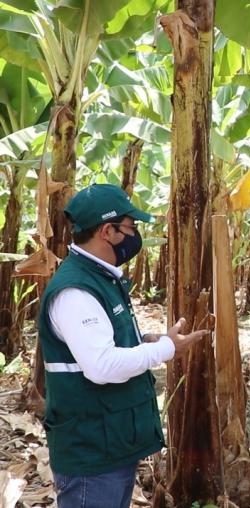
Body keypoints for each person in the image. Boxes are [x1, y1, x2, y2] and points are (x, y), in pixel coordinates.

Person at [38, 184, 207, 507]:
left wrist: (146, 341)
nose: (134, 235)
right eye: (130, 227)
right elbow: (101, 366)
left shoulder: (101, 277)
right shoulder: (76, 291)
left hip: (110, 441)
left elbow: (102, 343)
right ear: (107, 231)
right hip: (92, 449)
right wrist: (166, 349)